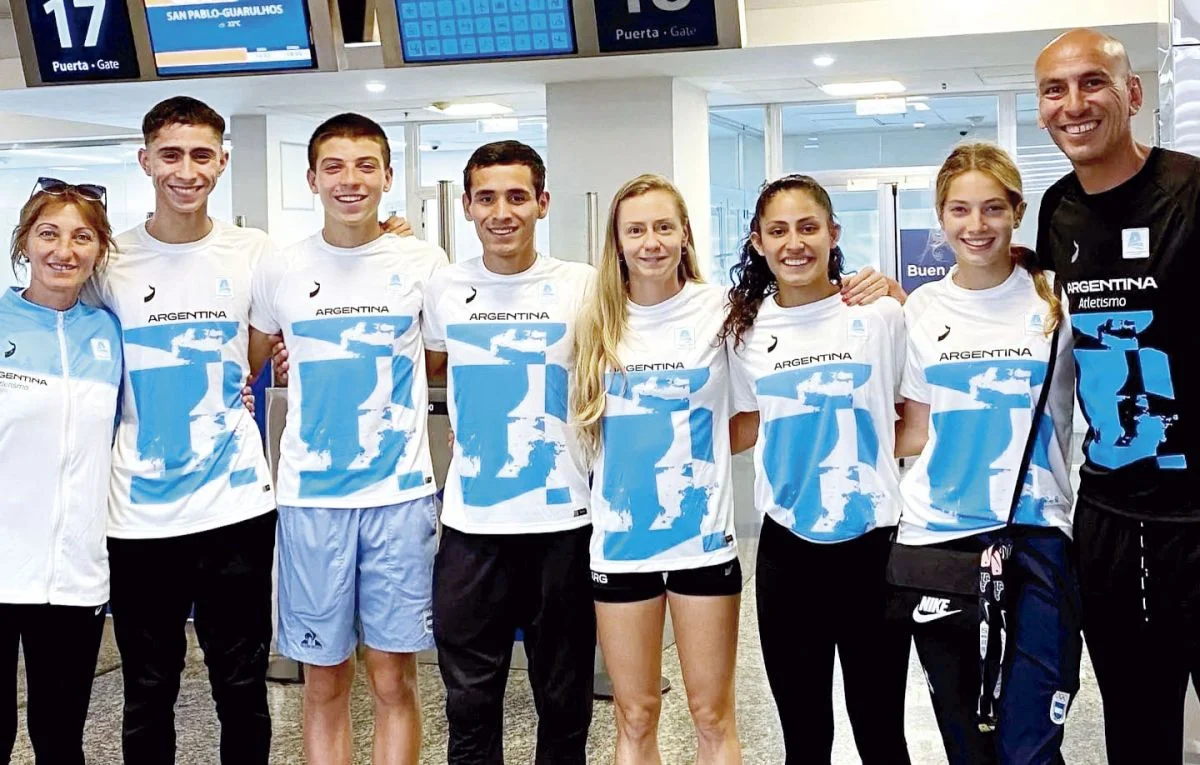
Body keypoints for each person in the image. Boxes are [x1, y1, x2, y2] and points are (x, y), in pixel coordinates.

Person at [82, 96, 282, 765]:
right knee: (147, 687)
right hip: (137, 512)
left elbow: (253, 355)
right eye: (171, 154)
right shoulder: (109, 262)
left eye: (201, 155)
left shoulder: (253, 252)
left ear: (222, 161)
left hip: (235, 506)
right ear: (146, 160)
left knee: (242, 687)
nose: (186, 170)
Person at [248, 112, 447, 765]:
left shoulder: (424, 262)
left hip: (399, 496)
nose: (350, 179)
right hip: (311, 502)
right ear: (312, 177)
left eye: (366, 165)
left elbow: (439, 357)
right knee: (324, 681)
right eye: (334, 166)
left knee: (394, 678)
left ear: (388, 176)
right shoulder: (281, 266)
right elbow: (248, 357)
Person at [1034, 28, 1200, 763]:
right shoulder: (1055, 210)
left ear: (1132, 94)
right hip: (1107, 515)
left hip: (1199, 508)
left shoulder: (1192, 190)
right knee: (1135, 724)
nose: (1074, 104)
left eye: (1092, 82)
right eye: (1055, 89)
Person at [892, 142, 1079, 765]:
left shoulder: (1055, 299)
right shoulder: (918, 310)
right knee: (967, 741)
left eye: (993, 208)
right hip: (939, 543)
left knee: (1030, 739)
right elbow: (916, 429)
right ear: (940, 218)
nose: (977, 226)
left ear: (1017, 211)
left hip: (1038, 536)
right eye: (960, 210)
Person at [721, 174, 910, 765]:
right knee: (804, 738)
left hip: (874, 549)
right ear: (757, 241)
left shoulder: (879, 314)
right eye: (778, 231)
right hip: (789, 553)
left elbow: (915, 409)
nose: (794, 243)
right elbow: (743, 422)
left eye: (808, 228)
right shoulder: (744, 331)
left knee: (882, 732)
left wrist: (900, 294)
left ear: (833, 234)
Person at [422, 140, 596, 764]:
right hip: (472, 528)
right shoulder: (443, 287)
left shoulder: (583, 287)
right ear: (467, 207)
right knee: (469, 704)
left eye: (518, 197)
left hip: (564, 525)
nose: (503, 212)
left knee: (565, 700)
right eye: (487, 198)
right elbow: (423, 361)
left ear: (542, 203)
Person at [572, 174, 742, 764]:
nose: (651, 242)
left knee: (711, 714)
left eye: (664, 227)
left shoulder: (722, 311)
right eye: (636, 229)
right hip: (620, 544)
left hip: (703, 543)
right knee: (636, 713)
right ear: (616, 242)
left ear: (685, 234)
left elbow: (748, 414)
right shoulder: (592, 318)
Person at [0, 179, 122, 765]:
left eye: (81, 237)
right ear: (25, 242)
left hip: (75, 572)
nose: (63, 250)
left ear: (99, 249)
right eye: (48, 234)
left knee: (60, 737)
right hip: (1, 563)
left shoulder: (111, 333)